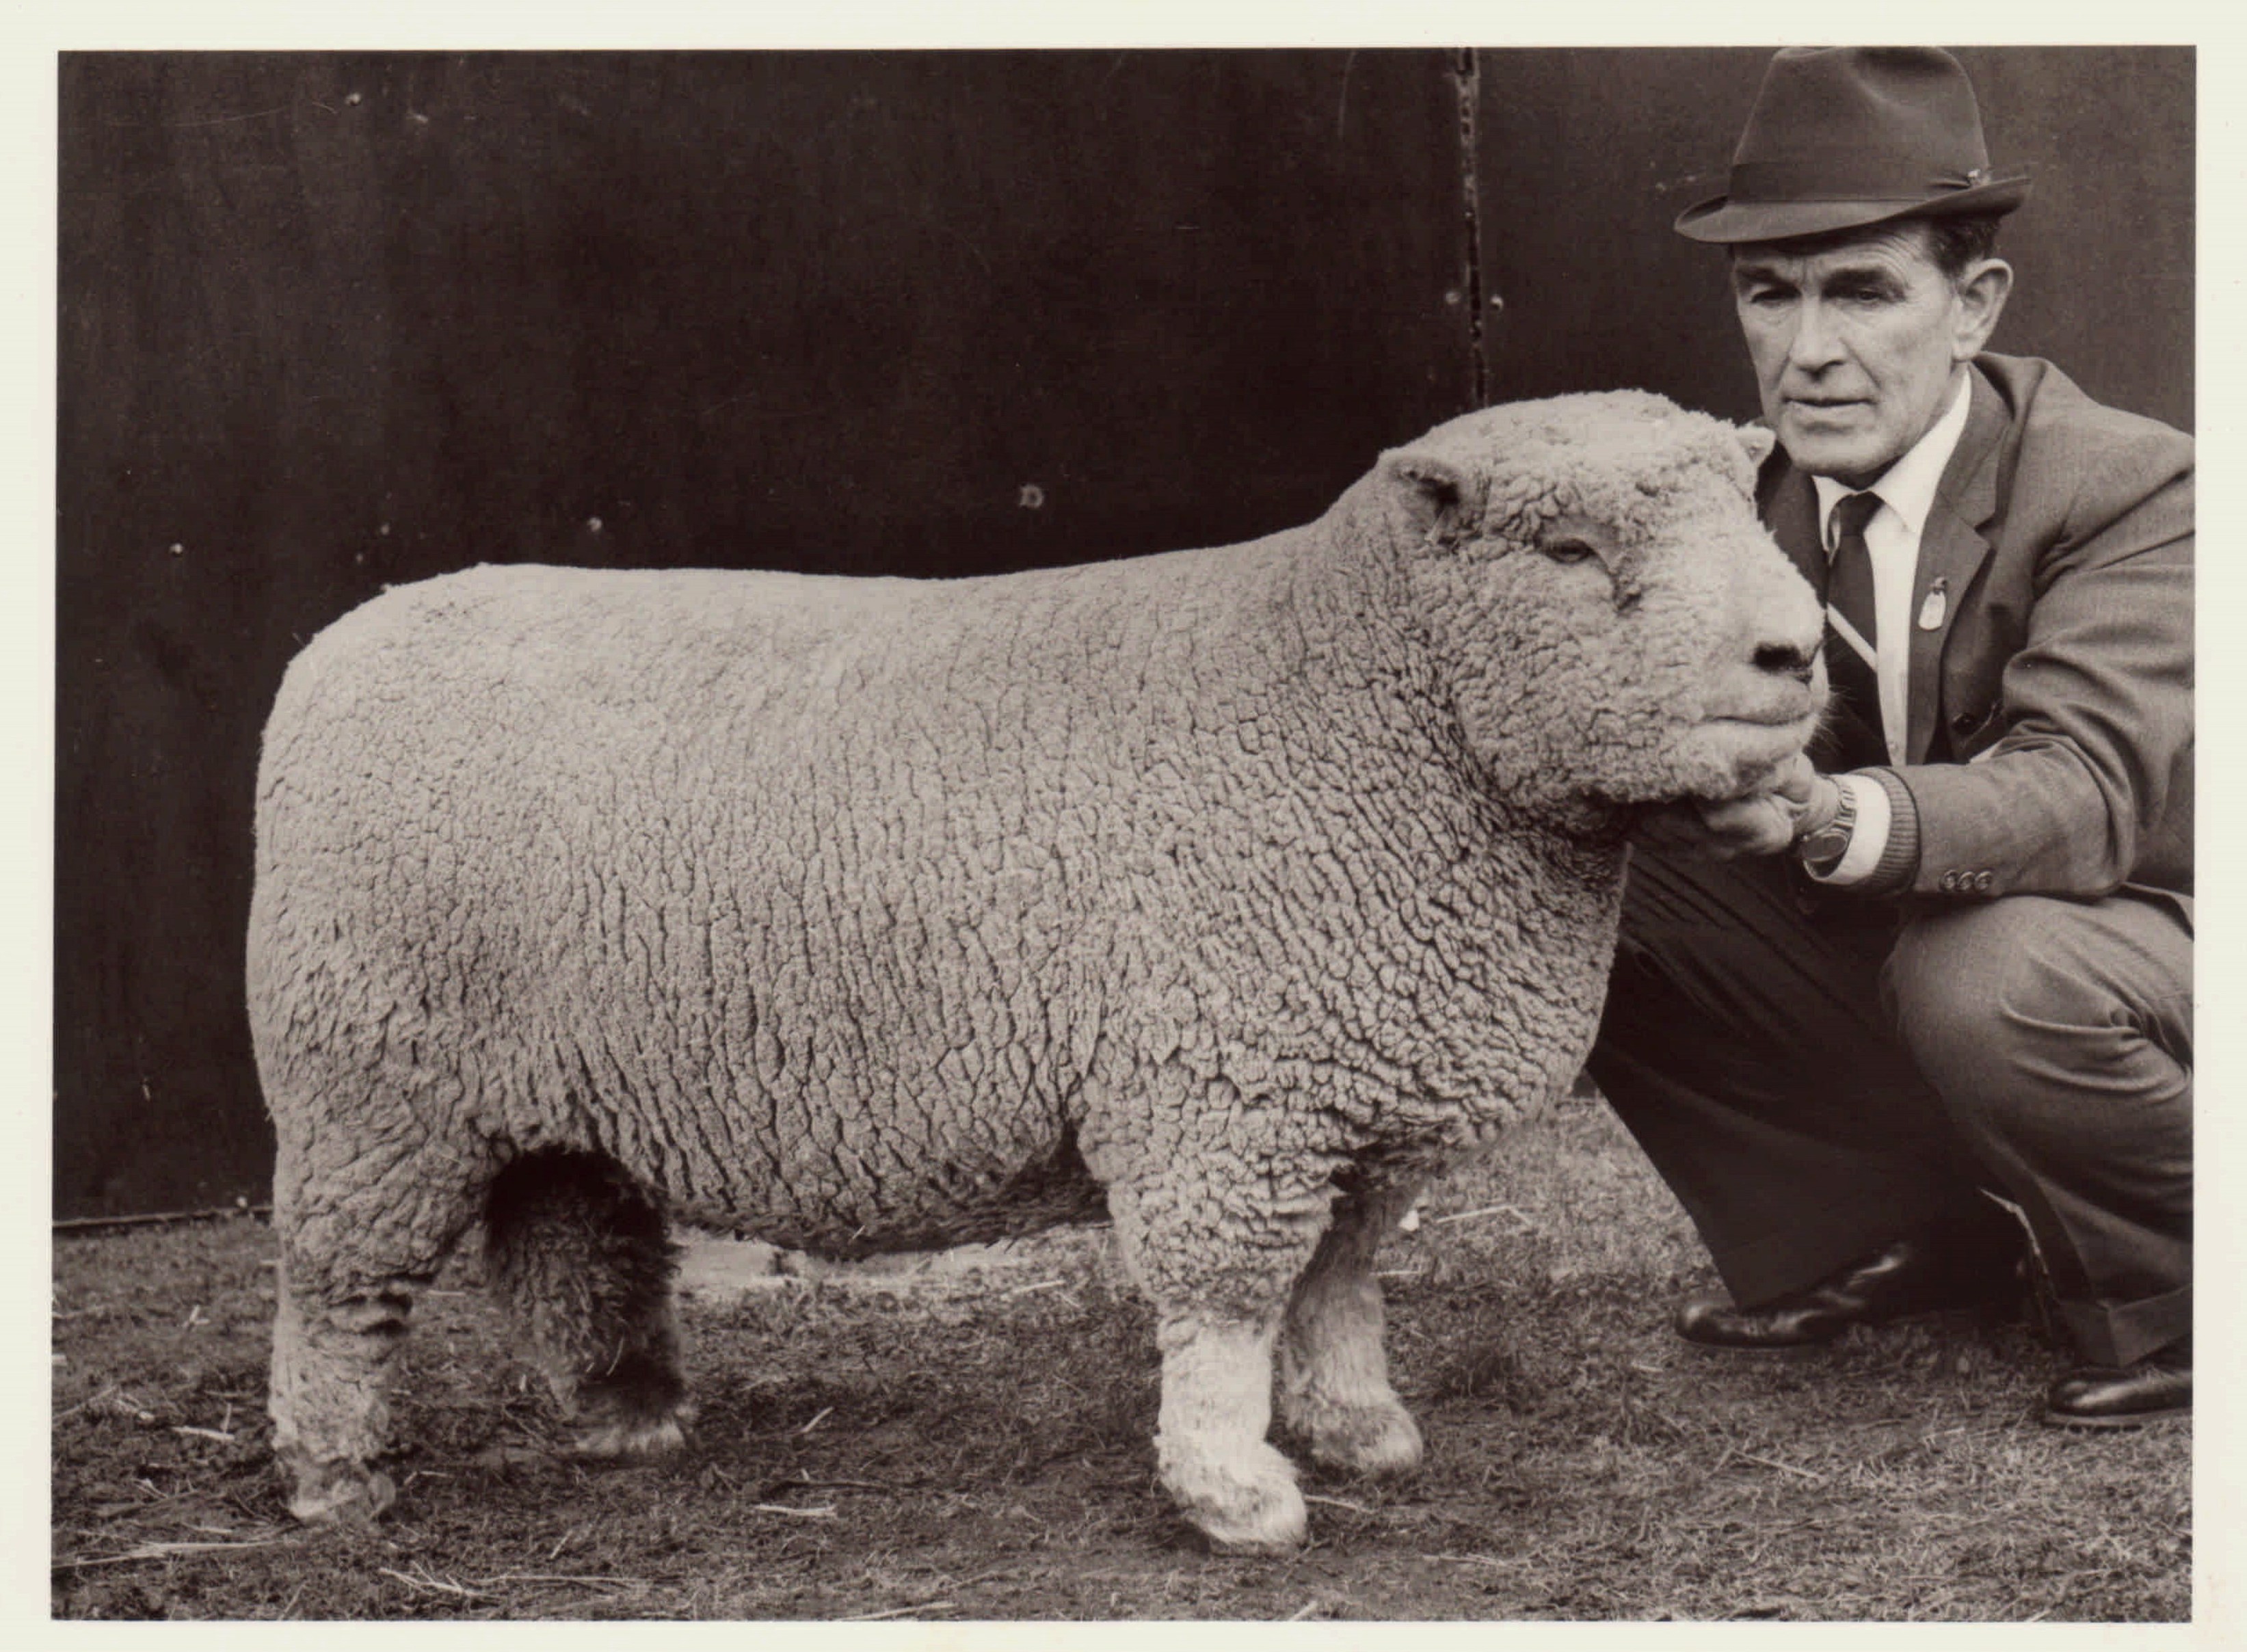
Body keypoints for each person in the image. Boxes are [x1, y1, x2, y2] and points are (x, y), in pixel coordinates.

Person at [1586, 46, 2192, 1426]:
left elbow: (2082, 793)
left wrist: (1820, 813)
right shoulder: (1732, 497)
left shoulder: (2131, 484)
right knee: (1596, 865)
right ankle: (1888, 1233)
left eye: (1860, 292)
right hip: (1913, 930)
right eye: (1769, 292)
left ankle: (2182, 1288)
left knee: (1983, 969)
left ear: (1972, 303)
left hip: (2153, 943)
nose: (1806, 351)